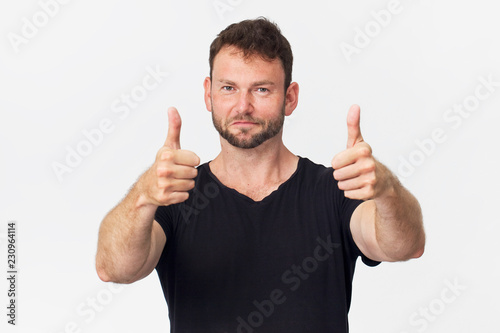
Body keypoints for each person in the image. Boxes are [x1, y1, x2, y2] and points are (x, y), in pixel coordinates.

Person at [95, 17, 425, 333]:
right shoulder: (174, 195)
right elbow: (112, 268)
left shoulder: (336, 191)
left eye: (261, 90)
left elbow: (404, 247)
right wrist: (143, 196)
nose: (243, 106)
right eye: (228, 88)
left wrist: (385, 190)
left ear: (290, 98)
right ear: (208, 93)